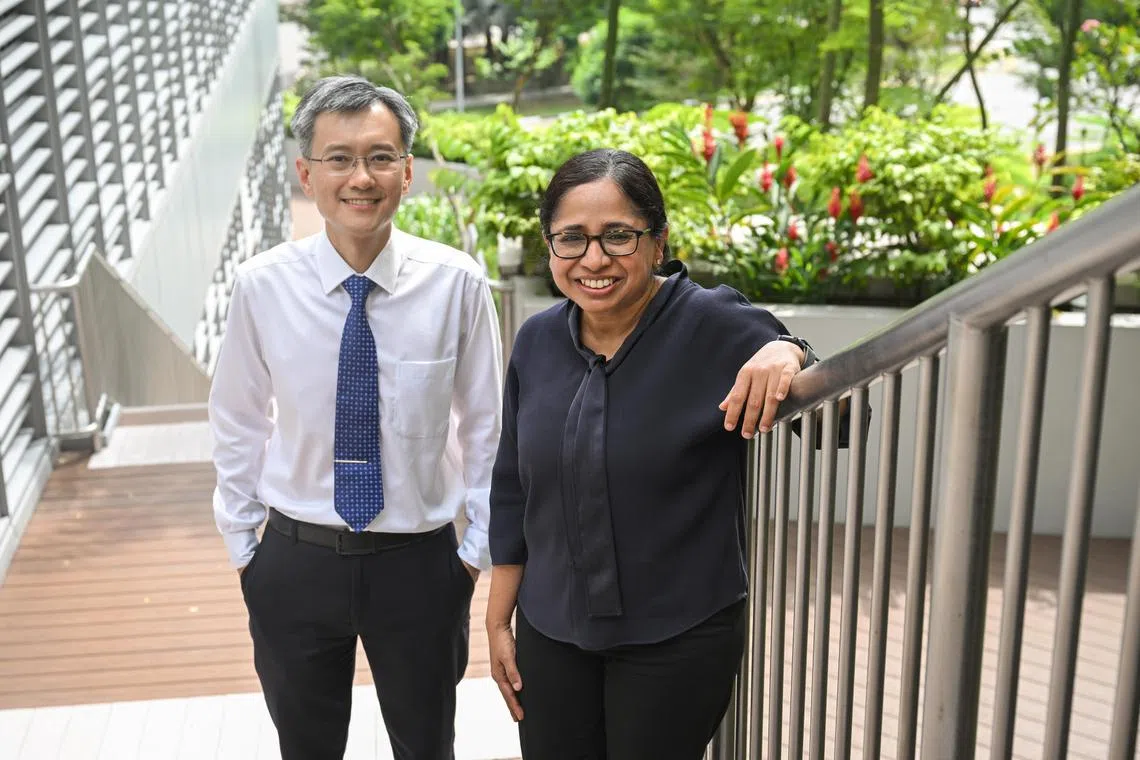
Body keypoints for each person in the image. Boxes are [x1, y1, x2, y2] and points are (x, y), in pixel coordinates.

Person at [485, 148, 817, 759]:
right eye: (571, 239)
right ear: (550, 246)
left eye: (618, 236)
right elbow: (512, 487)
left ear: (657, 243)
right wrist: (498, 620)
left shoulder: (711, 323)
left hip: (677, 633)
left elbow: (836, 426)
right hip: (551, 628)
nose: (594, 259)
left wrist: (790, 352)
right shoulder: (536, 340)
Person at [209, 75, 502, 760]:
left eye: (380, 156)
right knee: (306, 749)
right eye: (339, 158)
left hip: (421, 564)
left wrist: (472, 554)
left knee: (426, 746)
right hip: (293, 559)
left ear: (407, 172)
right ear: (306, 174)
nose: (360, 177)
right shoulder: (261, 285)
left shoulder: (456, 282)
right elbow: (237, 419)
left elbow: (488, 426)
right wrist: (245, 550)